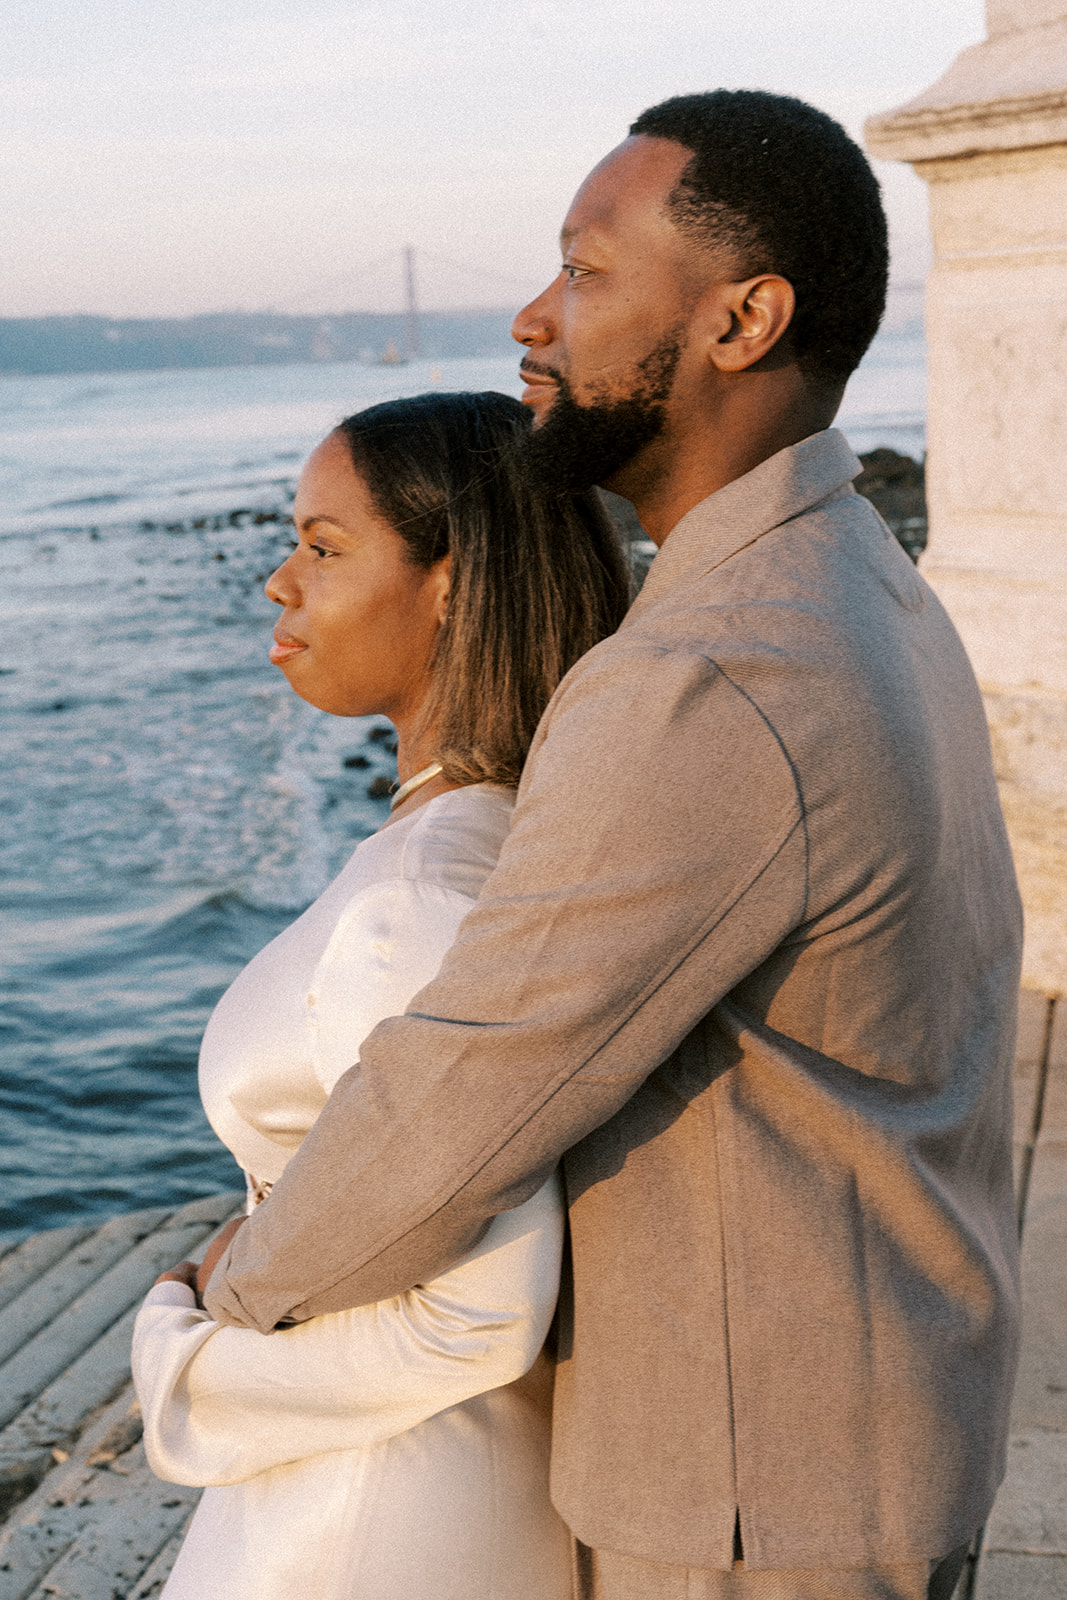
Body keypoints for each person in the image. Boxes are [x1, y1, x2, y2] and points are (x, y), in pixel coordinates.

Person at [204, 92, 1024, 1600]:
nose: (534, 317)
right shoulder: (866, 583)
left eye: (584, 273)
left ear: (741, 321)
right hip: (869, 1412)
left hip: (750, 1486)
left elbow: (466, 1083)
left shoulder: (705, 670)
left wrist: (222, 1296)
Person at [130, 389, 631, 1600]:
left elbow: (478, 1317)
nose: (280, 583)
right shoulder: (483, 842)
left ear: (451, 585)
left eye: (323, 546)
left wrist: (180, 1356)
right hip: (375, 1476)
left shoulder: (426, 894)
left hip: (372, 1510)